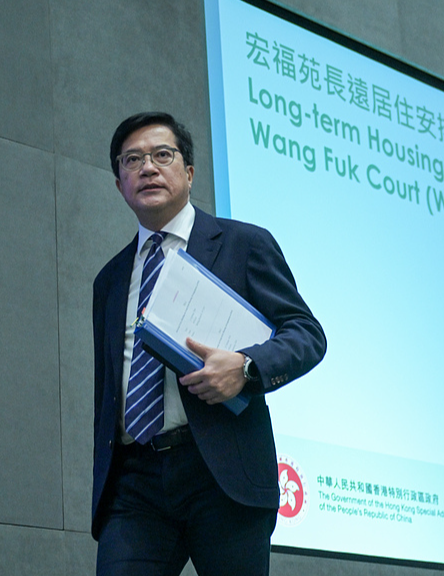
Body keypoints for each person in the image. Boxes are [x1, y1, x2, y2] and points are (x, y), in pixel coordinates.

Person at [91, 112, 326, 576]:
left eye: (162, 155)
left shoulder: (244, 244)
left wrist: (245, 368)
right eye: (132, 160)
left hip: (221, 474)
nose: (147, 167)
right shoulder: (110, 279)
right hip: (135, 482)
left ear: (189, 172)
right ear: (119, 184)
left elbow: (306, 334)